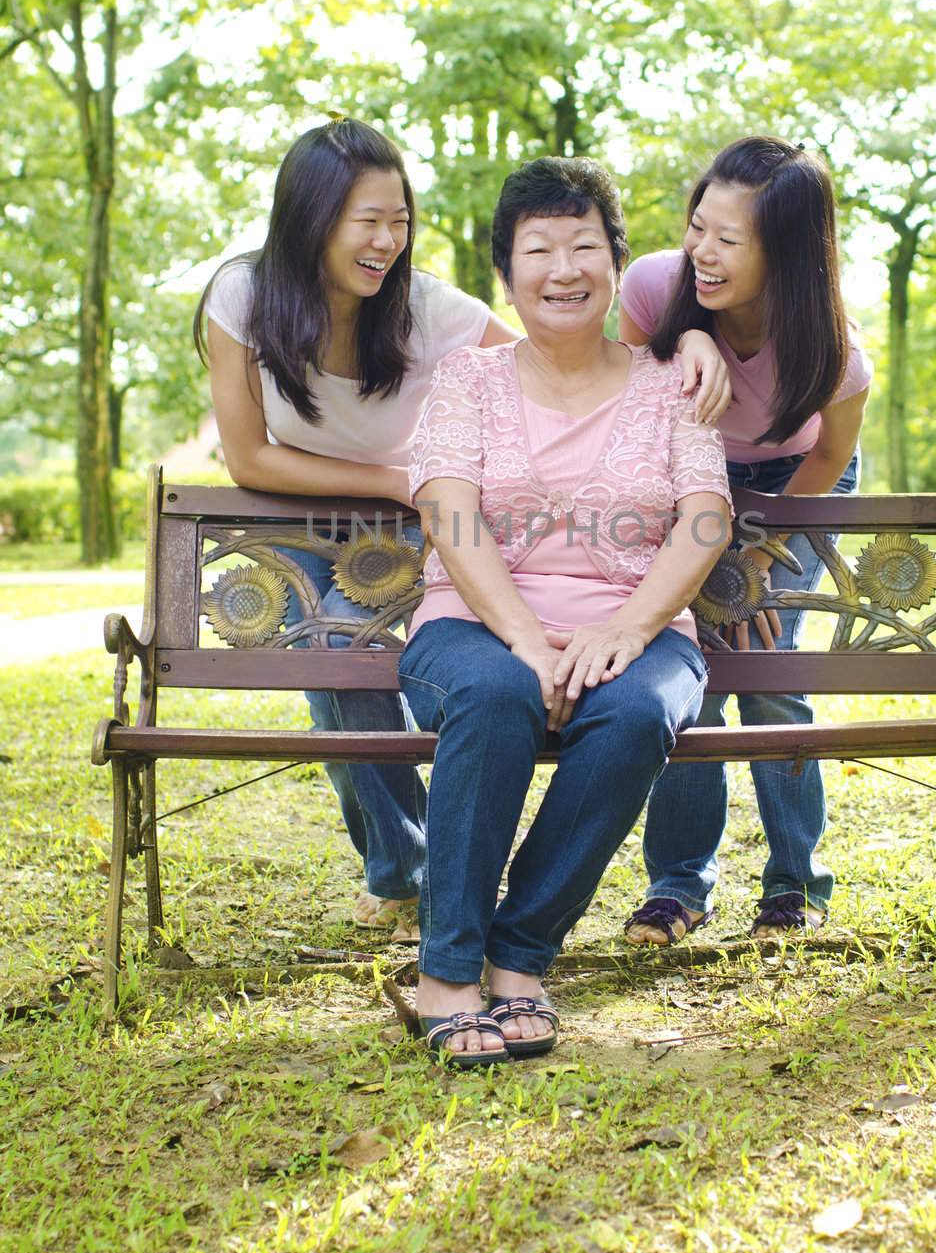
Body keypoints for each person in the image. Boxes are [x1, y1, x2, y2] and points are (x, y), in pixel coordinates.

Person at [398, 155, 733, 1067]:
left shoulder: (674, 383)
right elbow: (448, 512)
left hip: (640, 626)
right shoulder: (468, 380)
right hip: (472, 627)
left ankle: (519, 959)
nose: (563, 268)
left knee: (639, 708)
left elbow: (705, 518)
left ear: (618, 263)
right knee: (499, 693)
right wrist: (522, 640)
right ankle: (446, 975)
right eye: (537, 249)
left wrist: (626, 629)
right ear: (505, 273)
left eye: (585, 245)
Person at [194, 116, 520, 936]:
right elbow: (250, 459)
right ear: (311, 219)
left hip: (409, 526)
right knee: (333, 660)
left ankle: (403, 868)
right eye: (366, 220)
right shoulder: (242, 295)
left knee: (347, 652)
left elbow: (548, 368)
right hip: (301, 518)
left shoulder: (428, 309)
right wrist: (397, 480)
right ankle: (405, 864)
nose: (387, 240)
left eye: (399, 220)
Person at [618, 136, 872, 946]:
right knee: (694, 678)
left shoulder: (834, 349)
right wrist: (685, 339)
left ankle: (797, 886)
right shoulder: (657, 287)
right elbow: (620, 396)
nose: (703, 252)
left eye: (729, 241)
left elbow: (830, 457)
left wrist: (757, 557)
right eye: (699, 227)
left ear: (789, 254)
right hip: (685, 480)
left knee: (765, 669)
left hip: (795, 485)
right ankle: (677, 887)